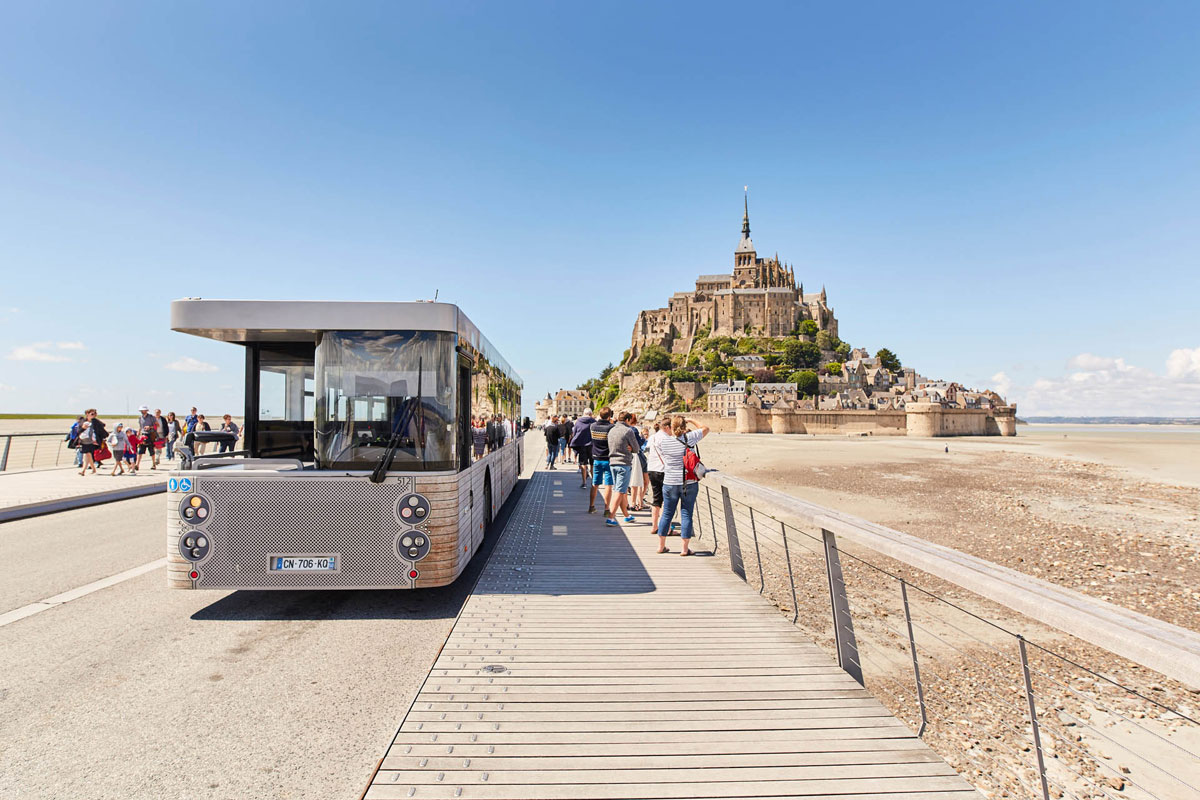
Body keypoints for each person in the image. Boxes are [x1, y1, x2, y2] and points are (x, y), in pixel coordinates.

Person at [655, 415, 710, 556]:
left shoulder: (664, 441)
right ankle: (685, 549)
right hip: (688, 482)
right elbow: (705, 428)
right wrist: (692, 419)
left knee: (667, 513)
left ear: (671, 428)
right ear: (684, 427)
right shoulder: (689, 438)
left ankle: (661, 546)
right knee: (686, 513)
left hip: (669, 482)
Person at [606, 411, 639, 524]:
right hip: (623, 464)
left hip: (612, 463)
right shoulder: (628, 431)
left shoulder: (611, 430)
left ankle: (626, 515)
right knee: (619, 491)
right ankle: (611, 517)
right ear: (627, 420)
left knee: (621, 490)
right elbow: (636, 448)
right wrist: (630, 447)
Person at [588, 407, 615, 521]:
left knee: (595, 483)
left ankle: (591, 506)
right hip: (608, 458)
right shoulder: (611, 428)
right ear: (609, 416)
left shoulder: (593, 426)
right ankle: (607, 509)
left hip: (596, 458)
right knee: (608, 485)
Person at [645, 418, 670, 534]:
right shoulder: (667, 439)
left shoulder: (652, 437)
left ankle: (654, 526)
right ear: (667, 427)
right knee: (666, 501)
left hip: (651, 469)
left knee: (656, 498)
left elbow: (647, 450)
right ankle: (666, 528)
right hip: (663, 470)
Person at [77, 409, 107, 476]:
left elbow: (102, 428)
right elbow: (78, 431)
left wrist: (102, 437)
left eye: (95, 414)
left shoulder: (96, 422)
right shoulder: (83, 421)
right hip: (84, 440)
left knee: (87, 454)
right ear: (87, 414)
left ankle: (83, 470)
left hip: (92, 441)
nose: (93, 415)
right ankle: (93, 469)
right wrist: (83, 428)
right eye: (92, 414)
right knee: (88, 455)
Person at [570, 409, 595, 489]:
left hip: (582, 445)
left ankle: (584, 482)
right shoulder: (594, 422)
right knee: (592, 464)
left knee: (583, 464)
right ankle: (593, 481)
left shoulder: (578, 422)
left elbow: (575, 433)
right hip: (592, 445)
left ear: (583, 414)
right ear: (591, 414)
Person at [628, 415, 646, 511]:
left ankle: (630, 503)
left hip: (625, 457)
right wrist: (643, 438)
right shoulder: (634, 430)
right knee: (638, 480)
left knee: (629, 480)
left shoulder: (623, 429)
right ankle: (636, 502)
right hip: (636, 456)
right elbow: (639, 444)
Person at [134, 405, 159, 471]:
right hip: (143, 435)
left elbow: (157, 425)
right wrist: (138, 434)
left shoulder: (151, 417)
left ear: (146, 411)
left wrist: (150, 427)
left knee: (151, 450)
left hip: (150, 435)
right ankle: (137, 465)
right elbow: (140, 427)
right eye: (141, 410)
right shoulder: (140, 418)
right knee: (140, 451)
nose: (142, 411)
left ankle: (153, 464)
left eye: (143, 410)